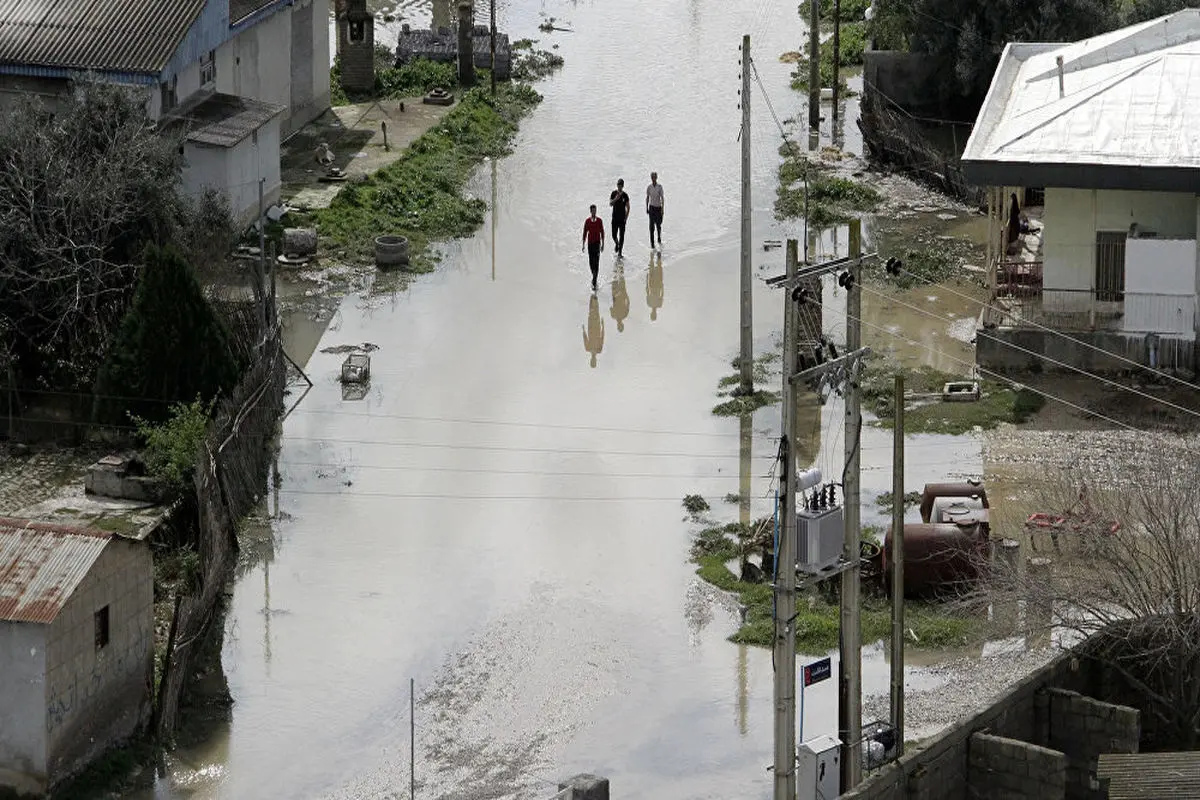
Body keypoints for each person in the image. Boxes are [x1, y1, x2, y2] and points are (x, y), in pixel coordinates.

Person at [581, 204, 605, 291]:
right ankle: (594, 277)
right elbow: (584, 232)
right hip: (590, 244)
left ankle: (594, 281)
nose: (594, 212)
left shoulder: (599, 221)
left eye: (595, 210)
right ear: (590, 211)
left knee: (596, 263)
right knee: (591, 263)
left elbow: (602, 232)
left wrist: (603, 244)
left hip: (597, 244)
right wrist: (583, 244)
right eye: (593, 210)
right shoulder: (587, 221)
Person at [609, 178, 631, 256]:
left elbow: (628, 207)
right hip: (614, 218)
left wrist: (626, 218)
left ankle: (620, 252)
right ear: (617, 185)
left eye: (621, 185)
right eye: (618, 185)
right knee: (613, 235)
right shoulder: (613, 193)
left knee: (622, 236)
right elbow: (610, 204)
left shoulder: (625, 195)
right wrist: (616, 198)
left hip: (622, 219)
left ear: (623, 186)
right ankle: (617, 243)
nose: (619, 186)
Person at [646, 171, 664, 250]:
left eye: (654, 177)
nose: (653, 178)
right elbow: (647, 197)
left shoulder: (659, 187)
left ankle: (659, 237)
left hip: (658, 208)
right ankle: (652, 243)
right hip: (651, 208)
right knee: (651, 226)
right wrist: (646, 207)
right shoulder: (649, 187)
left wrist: (662, 209)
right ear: (651, 178)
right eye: (652, 177)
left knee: (658, 225)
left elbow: (662, 198)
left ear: (656, 178)